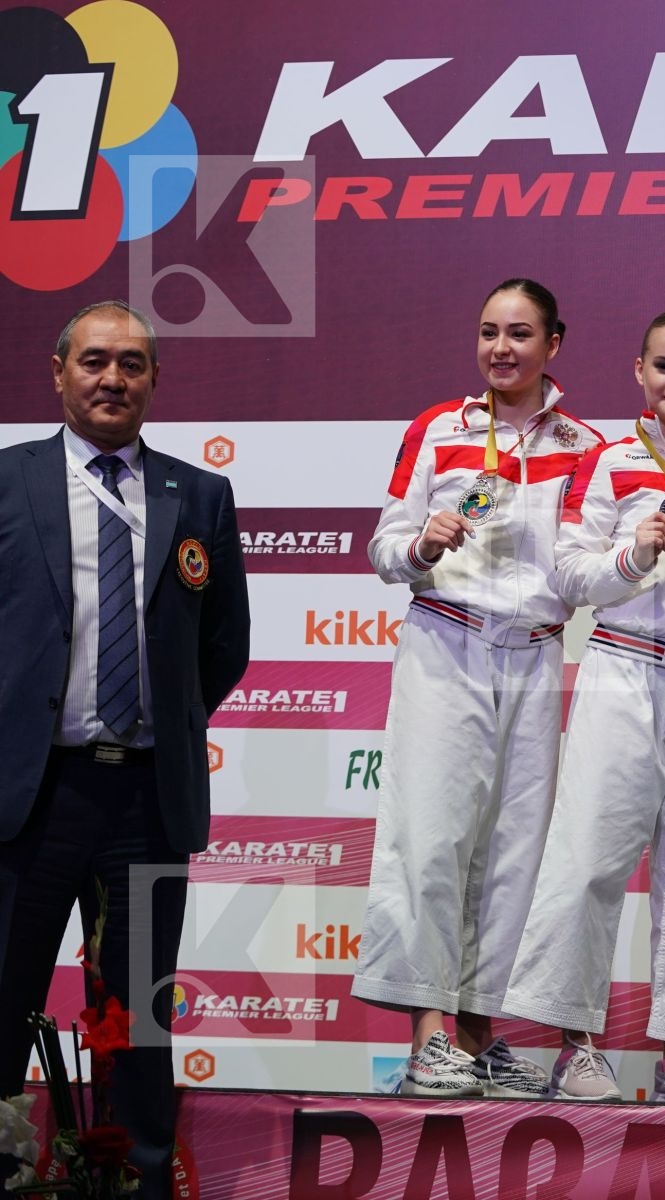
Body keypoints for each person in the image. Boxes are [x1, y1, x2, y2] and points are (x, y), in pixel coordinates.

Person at [0, 301, 250, 1198]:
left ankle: (134, 1181)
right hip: (27, 800)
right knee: (3, 996)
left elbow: (223, 646)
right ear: (58, 372)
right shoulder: (9, 479)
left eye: (132, 364)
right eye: (95, 360)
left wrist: (160, 726)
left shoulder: (199, 494)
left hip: (146, 800)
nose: (113, 378)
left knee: (138, 1018)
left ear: (154, 380)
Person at [352, 279, 603, 1098]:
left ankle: (476, 1034)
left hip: (534, 655)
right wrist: (421, 545)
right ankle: (427, 1038)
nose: (502, 348)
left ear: (553, 345)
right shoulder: (438, 427)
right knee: (430, 840)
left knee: (512, 854)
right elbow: (384, 547)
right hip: (447, 643)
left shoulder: (586, 445)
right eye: (490, 331)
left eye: (520, 334)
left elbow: (583, 564)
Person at [504, 310, 665, 1104]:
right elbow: (570, 575)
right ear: (639, 373)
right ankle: (574, 1048)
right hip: (627, 669)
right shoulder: (608, 461)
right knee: (588, 859)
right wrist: (633, 554)